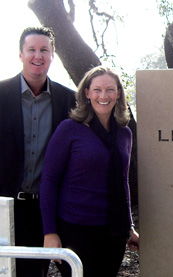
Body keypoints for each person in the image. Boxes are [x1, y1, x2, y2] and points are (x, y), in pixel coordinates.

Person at [40, 66, 139, 276]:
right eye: (97, 90)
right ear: (87, 93)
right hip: (75, 229)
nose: (104, 96)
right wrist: (50, 232)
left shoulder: (125, 134)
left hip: (114, 232)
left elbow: (123, 182)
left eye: (110, 89)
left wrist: (129, 226)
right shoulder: (69, 129)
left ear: (119, 93)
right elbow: (49, 180)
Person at [0, 26, 76, 276]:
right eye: (31, 49)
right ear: (20, 54)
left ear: (53, 55)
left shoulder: (70, 101)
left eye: (44, 50)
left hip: (45, 211)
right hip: (3, 206)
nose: (38, 55)